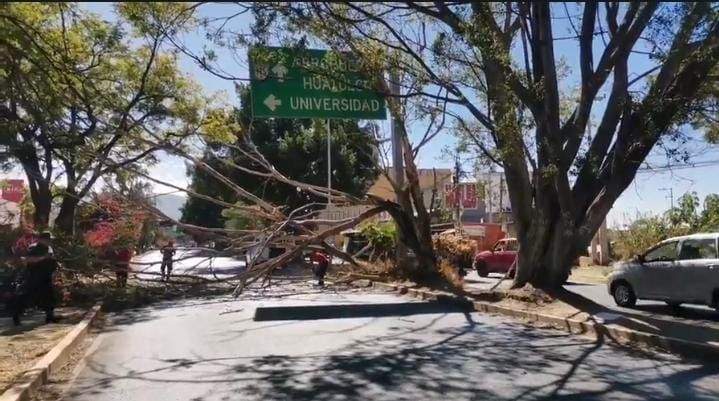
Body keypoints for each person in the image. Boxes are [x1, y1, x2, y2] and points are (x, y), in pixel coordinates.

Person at [11, 232, 60, 326]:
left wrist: (54, 271)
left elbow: (52, 261)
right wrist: (43, 258)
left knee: (49, 297)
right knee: (26, 296)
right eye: (47, 239)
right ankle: (16, 316)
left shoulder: (48, 248)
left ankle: (50, 317)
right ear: (41, 239)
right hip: (34, 276)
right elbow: (27, 259)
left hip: (46, 276)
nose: (49, 241)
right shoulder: (34, 248)